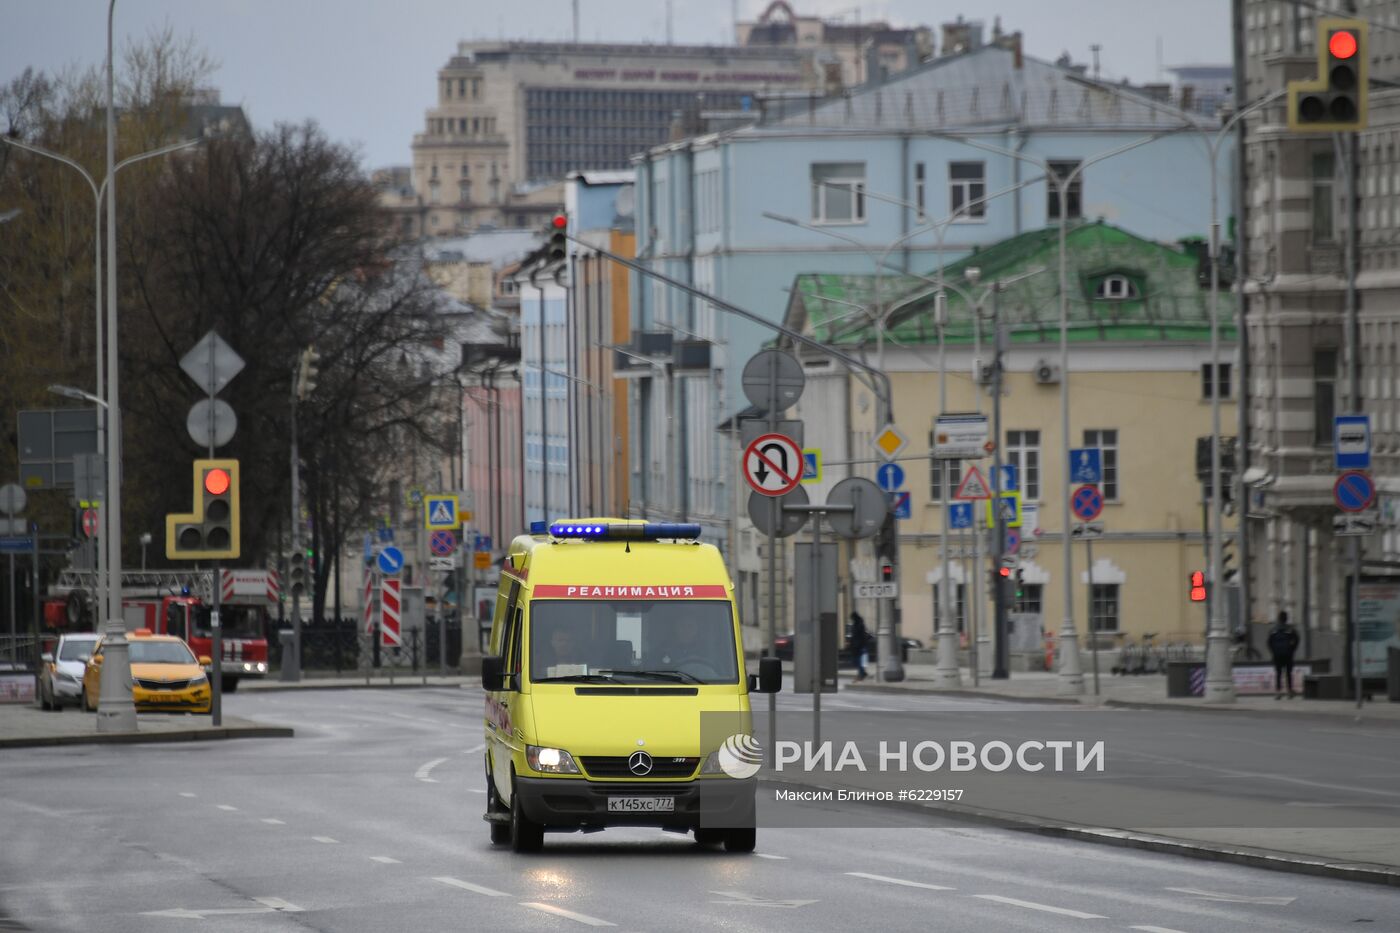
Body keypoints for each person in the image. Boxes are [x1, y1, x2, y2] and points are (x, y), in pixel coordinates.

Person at [1268, 610, 1300, 699]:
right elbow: (1297, 640)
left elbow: (1269, 642)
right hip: (1288, 655)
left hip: (1277, 655)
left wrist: (1274, 651)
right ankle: (1289, 692)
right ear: (1286, 619)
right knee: (1288, 673)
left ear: (1278, 619)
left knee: (1278, 673)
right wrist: (1292, 650)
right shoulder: (1290, 629)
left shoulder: (1273, 629)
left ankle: (1278, 693)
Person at [848, 611, 871, 681]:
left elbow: (858, 636)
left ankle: (861, 675)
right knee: (859, 661)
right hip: (858, 646)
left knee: (859, 661)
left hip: (859, 646)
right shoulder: (858, 624)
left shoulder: (858, 625)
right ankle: (862, 673)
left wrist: (854, 643)